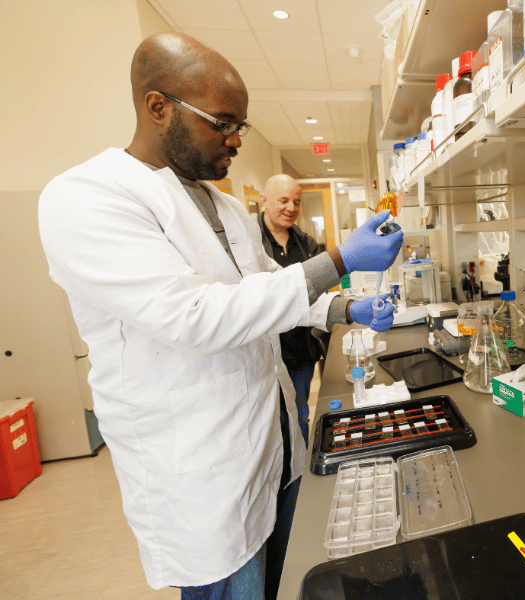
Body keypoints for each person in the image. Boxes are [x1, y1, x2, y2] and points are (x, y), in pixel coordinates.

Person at [37, 32, 402, 600]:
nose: (235, 140)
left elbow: (264, 294)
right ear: (158, 107)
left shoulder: (225, 205)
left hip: (271, 438)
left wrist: (346, 306)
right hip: (199, 466)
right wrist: (339, 260)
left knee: (285, 582)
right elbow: (195, 317)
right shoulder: (87, 197)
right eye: (223, 122)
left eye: (242, 127)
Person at [257, 174, 326, 447]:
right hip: (264, 357)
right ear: (264, 201)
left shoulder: (307, 244)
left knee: (299, 419)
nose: (291, 208)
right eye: (283, 200)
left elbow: (318, 294)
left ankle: (300, 486)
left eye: (296, 202)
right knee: (270, 429)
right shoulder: (248, 243)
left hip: (300, 354)